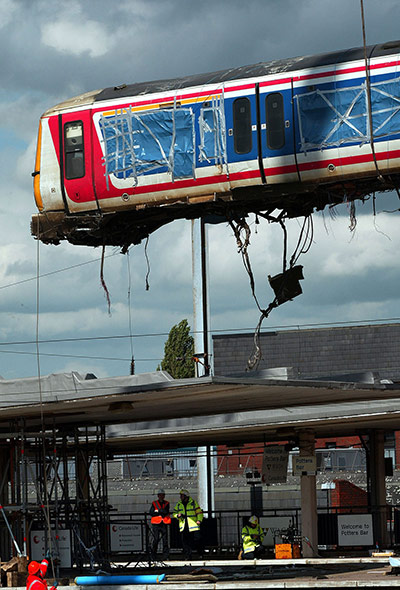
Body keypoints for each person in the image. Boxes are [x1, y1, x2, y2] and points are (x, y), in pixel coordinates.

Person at [173, 489, 204, 559]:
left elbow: (199, 512)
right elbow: (174, 513)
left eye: (181, 495)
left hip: (193, 525)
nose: (180, 497)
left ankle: (200, 553)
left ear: (185, 496)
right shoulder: (179, 504)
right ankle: (188, 556)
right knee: (186, 542)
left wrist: (199, 520)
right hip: (184, 526)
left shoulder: (193, 503)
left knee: (197, 539)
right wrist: (177, 515)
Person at [149, 488, 171, 560]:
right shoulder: (154, 503)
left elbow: (166, 511)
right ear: (158, 496)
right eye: (160, 495)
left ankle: (165, 556)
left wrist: (157, 511)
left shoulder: (167, 503)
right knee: (156, 539)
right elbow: (151, 513)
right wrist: (160, 511)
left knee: (165, 540)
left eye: (162, 495)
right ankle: (153, 555)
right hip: (156, 524)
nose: (161, 496)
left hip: (164, 523)